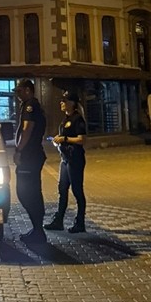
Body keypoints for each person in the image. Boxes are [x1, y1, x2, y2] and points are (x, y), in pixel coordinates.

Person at [45, 92, 87, 233]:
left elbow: (82, 139)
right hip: (65, 159)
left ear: (72, 103)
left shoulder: (77, 119)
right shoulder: (65, 119)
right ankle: (58, 221)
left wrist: (64, 139)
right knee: (62, 189)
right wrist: (58, 139)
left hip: (75, 159)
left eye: (64, 101)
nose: (61, 103)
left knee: (77, 191)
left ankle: (80, 223)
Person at [12, 78, 48, 245]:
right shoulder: (32, 105)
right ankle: (37, 229)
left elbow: (27, 130)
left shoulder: (30, 106)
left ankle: (38, 230)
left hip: (29, 156)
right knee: (31, 191)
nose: (17, 95)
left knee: (26, 192)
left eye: (19, 91)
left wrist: (19, 150)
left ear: (28, 90)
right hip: (33, 155)